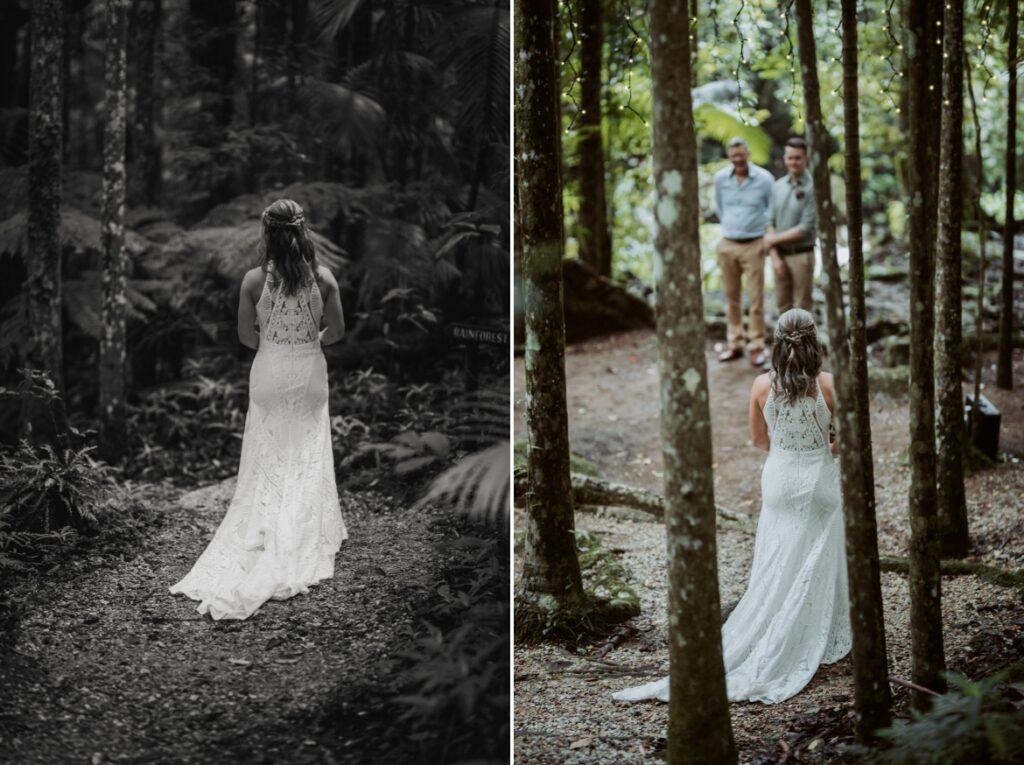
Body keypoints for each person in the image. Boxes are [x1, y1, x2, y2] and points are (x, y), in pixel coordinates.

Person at [613, 308, 851, 705]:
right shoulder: (829, 385)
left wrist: (787, 450)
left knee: (778, 555)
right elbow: (845, 438)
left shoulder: (761, 386)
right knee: (817, 555)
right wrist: (823, 449)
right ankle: (815, 631)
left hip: (778, 477)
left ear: (777, 342)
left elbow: (759, 441)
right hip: (818, 480)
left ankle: (772, 622)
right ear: (815, 342)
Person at [170, 199, 349, 620]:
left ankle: (265, 524)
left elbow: (246, 339)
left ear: (267, 234)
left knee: (268, 450)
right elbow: (337, 332)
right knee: (305, 449)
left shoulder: (253, 280)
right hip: (308, 371)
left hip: (268, 369)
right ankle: (302, 527)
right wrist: (307, 342)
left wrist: (276, 343)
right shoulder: (323, 278)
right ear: (303, 232)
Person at [713, 137, 774, 368]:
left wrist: (765, 238)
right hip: (728, 243)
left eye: (741, 154)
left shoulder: (764, 179)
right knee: (731, 297)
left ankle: (756, 346)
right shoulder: (720, 179)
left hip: (754, 243)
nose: (737, 159)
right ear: (729, 157)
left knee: (756, 298)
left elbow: (772, 210)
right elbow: (719, 207)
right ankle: (735, 342)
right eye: (733, 155)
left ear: (748, 154)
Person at [764, 137, 817, 314]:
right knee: (782, 307)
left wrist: (772, 240)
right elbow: (769, 222)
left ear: (805, 159)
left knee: (803, 307)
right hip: (779, 255)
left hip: (802, 255)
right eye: (790, 157)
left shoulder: (813, 188)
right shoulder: (777, 186)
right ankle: (785, 343)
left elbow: (805, 227)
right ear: (785, 159)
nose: (793, 162)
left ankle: (803, 343)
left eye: (797, 158)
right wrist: (775, 257)